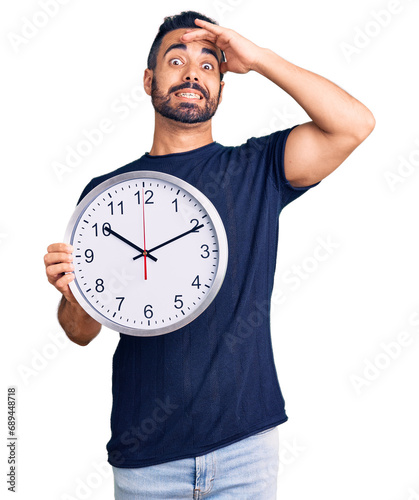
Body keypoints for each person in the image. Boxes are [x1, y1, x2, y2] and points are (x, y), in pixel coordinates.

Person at [44, 10, 375, 500]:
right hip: (146, 458)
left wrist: (258, 58)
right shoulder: (106, 196)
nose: (192, 73)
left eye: (208, 64)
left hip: (245, 450)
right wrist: (72, 295)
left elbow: (355, 124)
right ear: (149, 80)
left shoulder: (257, 168)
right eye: (175, 60)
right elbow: (80, 332)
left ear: (221, 84)